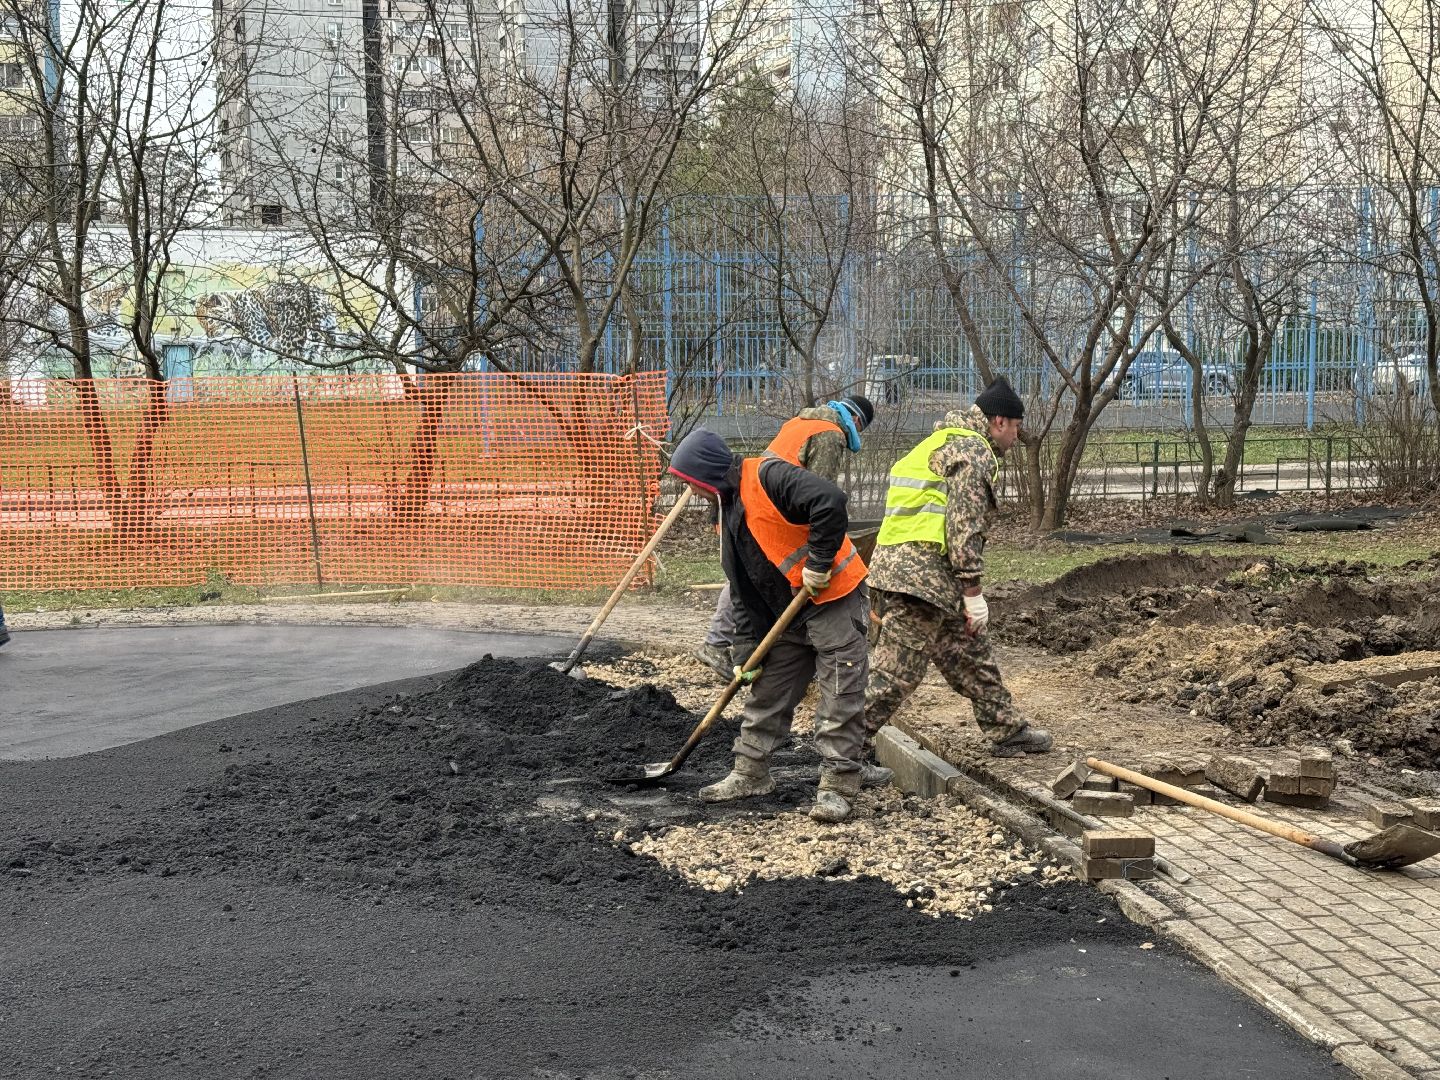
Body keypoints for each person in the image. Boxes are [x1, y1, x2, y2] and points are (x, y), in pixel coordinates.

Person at [668, 428, 873, 823]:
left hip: (832, 597)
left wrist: (817, 562)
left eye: (690, 484)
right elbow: (744, 591)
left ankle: (838, 785)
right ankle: (750, 773)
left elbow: (830, 502)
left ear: (706, 474)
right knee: (767, 691)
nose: (691, 493)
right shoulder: (726, 511)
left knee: (839, 689)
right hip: (787, 611)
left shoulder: (768, 475)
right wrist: (748, 654)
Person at [862, 377, 1053, 760]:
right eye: (1015, 428)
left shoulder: (940, 441)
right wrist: (973, 591)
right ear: (999, 421)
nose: (1016, 438)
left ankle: (1006, 728)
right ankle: (842, 751)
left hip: (903, 571)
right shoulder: (973, 452)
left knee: (969, 652)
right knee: (894, 676)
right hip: (920, 580)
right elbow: (963, 525)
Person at [695, 395, 876, 682]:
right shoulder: (830, 433)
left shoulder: (802, 422)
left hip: (752, 502)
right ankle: (722, 643)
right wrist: (820, 552)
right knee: (745, 579)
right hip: (772, 510)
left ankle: (720, 641)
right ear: (855, 421)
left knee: (743, 576)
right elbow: (819, 490)